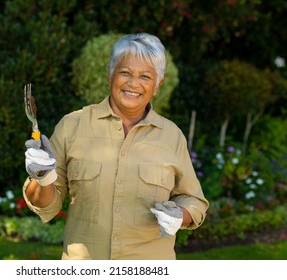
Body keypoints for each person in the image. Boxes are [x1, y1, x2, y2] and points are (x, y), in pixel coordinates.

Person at [22, 32, 209, 260]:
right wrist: (42, 177)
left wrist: (181, 215)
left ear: (157, 85)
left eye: (145, 76)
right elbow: (46, 206)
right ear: (111, 75)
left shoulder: (172, 137)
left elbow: (194, 200)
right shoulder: (72, 126)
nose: (133, 83)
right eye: (125, 73)